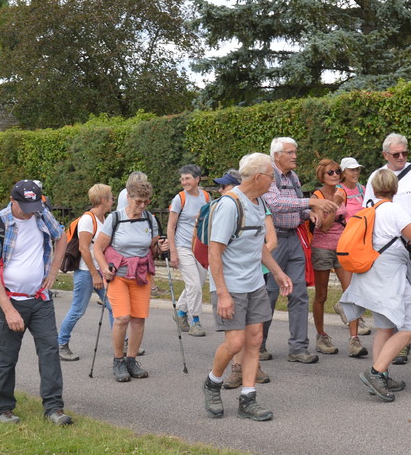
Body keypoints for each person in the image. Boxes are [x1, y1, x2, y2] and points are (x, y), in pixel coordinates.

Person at [201, 153, 293, 422]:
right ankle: (212, 383)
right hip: (230, 286)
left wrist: (277, 272)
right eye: (271, 177)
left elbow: (258, 245)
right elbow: (214, 252)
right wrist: (222, 293)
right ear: (258, 177)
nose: (274, 181)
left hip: (254, 284)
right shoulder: (230, 205)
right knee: (235, 343)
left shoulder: (259, 202)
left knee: (254, 341)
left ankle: (248, 399)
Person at [0, 179, 73, 425]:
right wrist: (9, 310)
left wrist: (54, 270)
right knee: (7, 356)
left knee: (50, 351)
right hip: (10, 300)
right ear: (12, 200)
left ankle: (54, 408)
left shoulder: (41, 214)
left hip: (40, 299)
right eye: (24, 206)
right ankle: (2, 409)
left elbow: (61, 237)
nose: (30, 212)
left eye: (34, 206)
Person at [339, 167, 411, 402]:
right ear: (395, 188)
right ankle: (376, 373)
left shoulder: (371, 210)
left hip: (374, 270)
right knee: (410, 328)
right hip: (391, 275)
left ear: (374, 188)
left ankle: (382, 376)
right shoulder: (394, 210)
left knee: (385, 327)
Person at [362, 133, 411, 364]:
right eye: (396, 154)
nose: (402, 157)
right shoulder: (377, 177)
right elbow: (368, 211)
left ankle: (402, 339)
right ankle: (397, 342)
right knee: (396, 294)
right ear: (385, 155)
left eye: (405, 153)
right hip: (391, 249)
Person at [262, 137, 337, 363]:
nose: (295, 156)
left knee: (300, 293)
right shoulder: (268, 175)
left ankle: (298, 348)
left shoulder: (292, 176)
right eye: (290, 152)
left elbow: (294, 205)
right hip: (273, 239)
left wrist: (308, 214)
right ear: (277, 156)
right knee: (269, 293)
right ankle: (258, 345)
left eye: (295, 152)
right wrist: (311, 204)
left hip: (294, 236)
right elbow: (275, 204)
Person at [93, 181, 165, 383]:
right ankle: (118, 361)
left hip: (141, 275)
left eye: (146, 202)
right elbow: (97, 248)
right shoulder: (115, 218)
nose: (142, 206)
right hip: (118, 275)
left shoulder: (149, 219)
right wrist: (104, 268)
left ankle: (131, 360)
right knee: (122, 317)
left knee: (139, 319)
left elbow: (153, 250)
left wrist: (161, 247)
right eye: (138, 201)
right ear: (129, 198)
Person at [308, 158, 365, 357]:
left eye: (337, 171)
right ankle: (321, 336)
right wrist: (336, 203)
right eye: (330, 172)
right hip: (322, 248)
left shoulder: (343, 192)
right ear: (322, 176)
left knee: (350, 293)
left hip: (343, 247)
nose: (335, 175)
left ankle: (354, 339)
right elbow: (324, 226)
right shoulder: (317, 196)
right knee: (321, 296)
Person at [57, 184, 115, 361]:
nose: (113, 200)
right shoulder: (88, 219)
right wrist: (94, 274)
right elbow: (83, 248)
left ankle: (122, 343)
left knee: (114, 307)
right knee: (78, 310)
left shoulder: (104, 218)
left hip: (100, 271)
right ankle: (61, 344)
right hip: (86, 272)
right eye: (111, 197)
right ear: (103, 200)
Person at [167, 164, 211, 337]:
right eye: (182, 179)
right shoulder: (179, 198)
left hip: (199, 247)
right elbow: (171, 227)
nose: (184, 182)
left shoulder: (206, 196)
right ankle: (195, 321)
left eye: (187, 178)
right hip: (182, 246)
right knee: (194, 285)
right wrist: (173, 252)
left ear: (197, 179)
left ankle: (180, 312)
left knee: (196, 285)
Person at [336, 156, 372, 341]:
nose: (356, 172)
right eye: (351, 170)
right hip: (347, 240)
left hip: (362, 240)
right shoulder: (339, 191)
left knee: (362, 281)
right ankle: (355, 320)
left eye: (357, 169)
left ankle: (344, 307)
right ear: (343, 172)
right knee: (350, 283)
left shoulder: (362, 189)